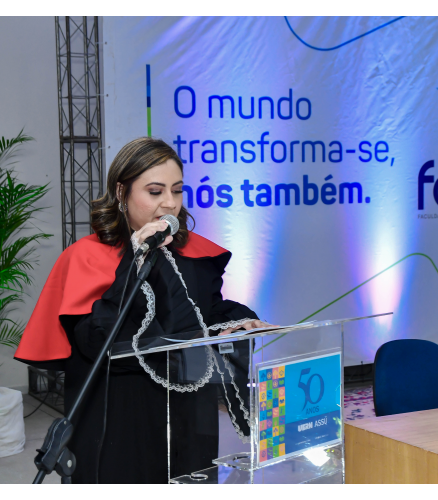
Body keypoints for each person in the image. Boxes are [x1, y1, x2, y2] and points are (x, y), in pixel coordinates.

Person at [15, 137, 272, 483]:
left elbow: (207, 310)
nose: (170, 203)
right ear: (121, 193)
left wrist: (240, 321)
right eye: (155, 192)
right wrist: (134, 261)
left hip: (187, 410)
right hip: (119, 414)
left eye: (177, 191)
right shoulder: (86, 258)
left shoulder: (193, 255)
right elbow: (95, 338)